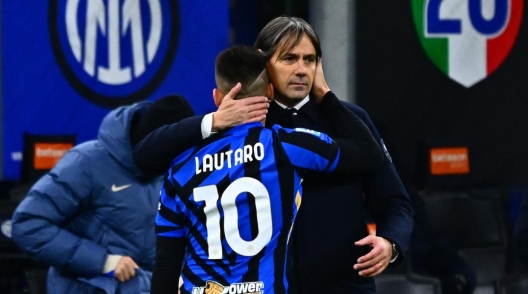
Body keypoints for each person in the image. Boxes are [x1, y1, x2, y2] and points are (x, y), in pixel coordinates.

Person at [135, 17, 414, 294]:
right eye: (290, 59)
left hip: (343, 285)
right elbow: (146, 156)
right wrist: (212, 121)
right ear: (263, 63)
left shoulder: (351, 121)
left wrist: (391, 244)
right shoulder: (240, 124)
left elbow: (395, 201)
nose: (302, 70)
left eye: (310, 59)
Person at [10, 95, 195, 294]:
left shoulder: (173, 171)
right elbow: (27, 224)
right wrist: (103, 261)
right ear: (160, 144)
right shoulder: (87, 163)